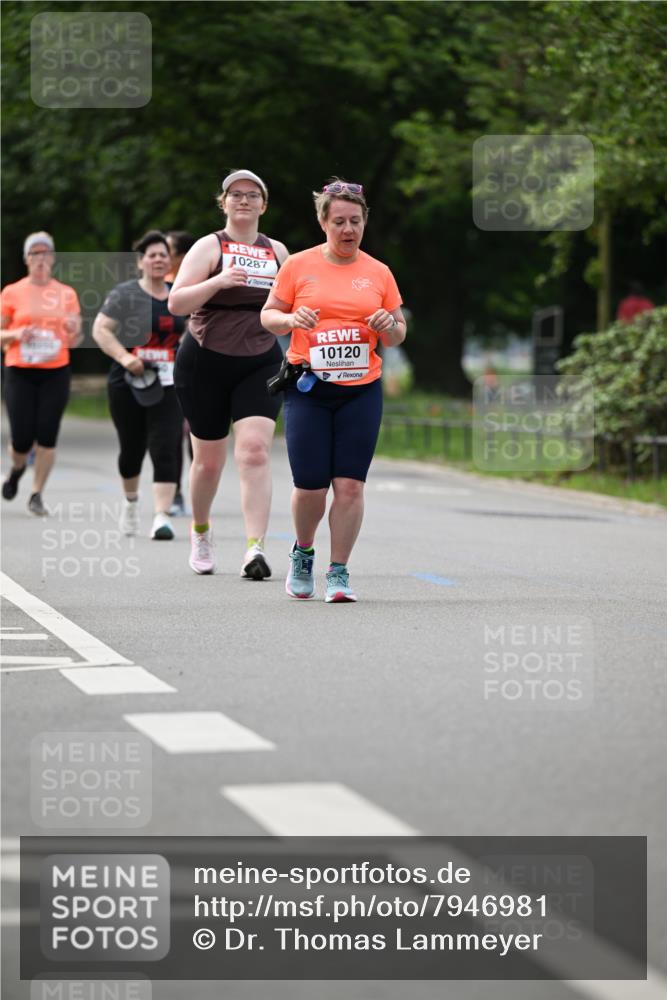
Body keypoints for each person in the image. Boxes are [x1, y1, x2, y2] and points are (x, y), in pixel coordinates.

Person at [261, 179, 406, 603]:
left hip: (362, 390)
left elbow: (399, 333)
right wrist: (291, 322)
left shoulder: (378, 271)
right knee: (310, 486)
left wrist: (388, 326)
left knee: (350, 486)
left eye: (355, 221)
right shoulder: (298, 266)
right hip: (309, 387)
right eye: (339, 221)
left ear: (365, 223)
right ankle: (303, 552)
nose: (348, 229)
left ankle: (339, 571)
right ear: (323, 221)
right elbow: (268, 315)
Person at [169, 169, 288, 578]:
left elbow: (292, 304)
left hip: (260, 359)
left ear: (263, 205)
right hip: (205, 359)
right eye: (235, 194)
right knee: (209, 461)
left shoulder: (279, 252)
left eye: (252, 194)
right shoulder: (209, 246)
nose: (244, 200)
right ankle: (201, 531)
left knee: (254, 450)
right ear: (223, 203)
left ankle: (255, 549)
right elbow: (177, 303)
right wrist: (218, 281)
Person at [92, 230, 186, 540]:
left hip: (169, 383)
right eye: (152, 255)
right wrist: (125, 357)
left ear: (169, 261)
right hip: (128, 382)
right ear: (141, 262)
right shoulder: (125, 293)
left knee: (165, 447)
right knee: (132, 449)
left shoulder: (179, 294)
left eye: (163, 254)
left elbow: (191, 334)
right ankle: (131, 503)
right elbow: (101, 330)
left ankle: (161, 515)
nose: (159, 259)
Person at [1, 232, 81, 515]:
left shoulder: (66, 293)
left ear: (53, 258)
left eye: (45, 253)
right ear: (26, 259)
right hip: (19, 370)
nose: (40, 259)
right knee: (22, 438)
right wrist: (15, 333)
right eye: (34, 253)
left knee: (48, 435)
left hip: (55, 371)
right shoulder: (12, 292)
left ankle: (36, 494)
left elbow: (76, 337)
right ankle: (17, 468)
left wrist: (74, 331)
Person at [165, 230, 197, 517]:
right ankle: (173, 491)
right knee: (173, 431)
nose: (163, 256)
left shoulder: (198, 286)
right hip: (164, 371)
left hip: (197, 368)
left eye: (169, 251)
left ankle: (198, 486)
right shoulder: (157, 287)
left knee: (195, 433)